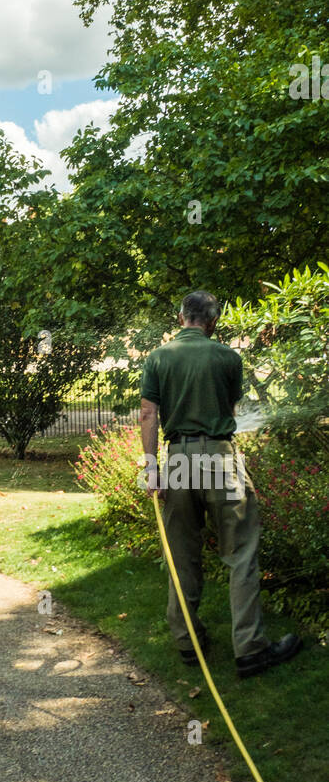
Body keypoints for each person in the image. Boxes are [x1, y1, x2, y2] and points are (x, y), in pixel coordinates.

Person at [139, 290, 302, 679]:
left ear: (182, 318)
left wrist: (150, 468)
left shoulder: (159, 357)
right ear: (212, 322)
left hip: (177, 459)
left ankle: (188, 643)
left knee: (181, 554)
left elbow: (148, 414)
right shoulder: (228, 357)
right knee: (241, 553)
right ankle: (250, 649)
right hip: (219, 457)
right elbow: (229, 410)